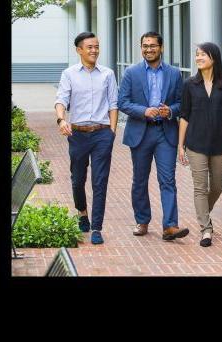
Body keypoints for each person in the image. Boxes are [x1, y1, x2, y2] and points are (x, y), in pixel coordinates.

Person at [118, 32, 189, 241]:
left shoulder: (174, 74)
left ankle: (170, 226)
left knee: (168, 180)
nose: (148, 49)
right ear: (141, 48)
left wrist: (171, 111)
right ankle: (142, 220)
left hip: (165, 133)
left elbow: (181, 103)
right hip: (140, 132)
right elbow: (122, 102)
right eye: (145, 46)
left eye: (152, 46)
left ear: (161, 47)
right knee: (139, 180)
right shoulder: (131, 73)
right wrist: (144, 111)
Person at [54, 32, 118, 245]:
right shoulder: (69, 74)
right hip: (78, 134)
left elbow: (113, 104)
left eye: (96, 46)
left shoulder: (107, 74)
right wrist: (61, 120)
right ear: (79, 50)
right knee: (77, 179)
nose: (94, 50)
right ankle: (82, 212)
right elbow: (61, 99)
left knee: (100, 181)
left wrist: (112, 133)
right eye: (89, 47)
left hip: (102, 134)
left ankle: (97, 228)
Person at [178, 42, 222, 247]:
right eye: (197, 55)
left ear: (214, 58)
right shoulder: (189, 84)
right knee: (200, 187)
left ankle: (204, 213)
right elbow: (184, 116)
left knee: (217, 186)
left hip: (219, 144)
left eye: (202, 55)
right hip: (195, 143)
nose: (198, 58)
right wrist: (181, 145)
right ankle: (206, 229)